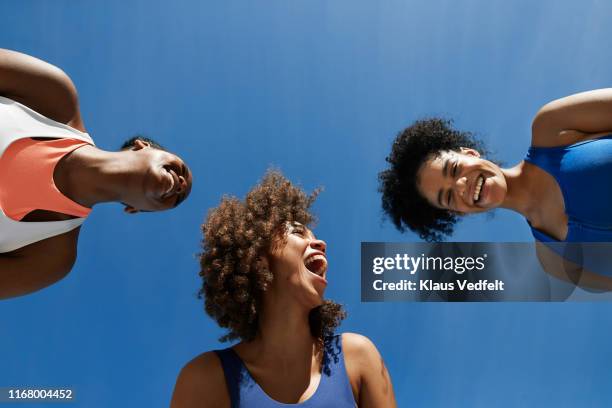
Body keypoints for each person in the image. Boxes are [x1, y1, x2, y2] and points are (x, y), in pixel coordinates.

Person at [171, 171, 396, 408]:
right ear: (256, 258)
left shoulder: (357, 356)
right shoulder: (205, 378)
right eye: (298, 233)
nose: (321, 243)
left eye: (315, 236)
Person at [0, 49, 192, 299]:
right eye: (181, 170)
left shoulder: (50, 258)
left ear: (133, 209)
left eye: (178, 197)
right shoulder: (54, 94)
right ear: (143, 145)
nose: (180, 184)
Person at [379, 89, 612, 244]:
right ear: (458, 212)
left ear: (470, 153)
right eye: (448, 197)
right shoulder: (559, 263)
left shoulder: (553, 125)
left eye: (454, 169)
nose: (461, 186)